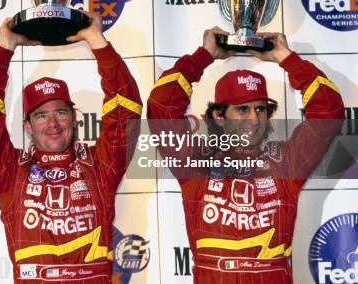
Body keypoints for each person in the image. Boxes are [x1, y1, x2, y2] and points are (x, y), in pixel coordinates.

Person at [147, 27, 344, 283]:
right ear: (219, 115)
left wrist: (286, 57)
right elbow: (161, 106)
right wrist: (203, 55)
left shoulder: (285, 162)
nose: (254, 119)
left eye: (260, 109)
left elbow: (329, 110)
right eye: (242, 110)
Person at [0, 14, 142, 283]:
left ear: (73, 118)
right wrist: (5, 46)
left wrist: (97, 41)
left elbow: (125, 107)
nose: (53, 124)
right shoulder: (11, 172)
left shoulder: (99, 166)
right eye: (40, 116)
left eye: (60, 112)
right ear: (27, 125)